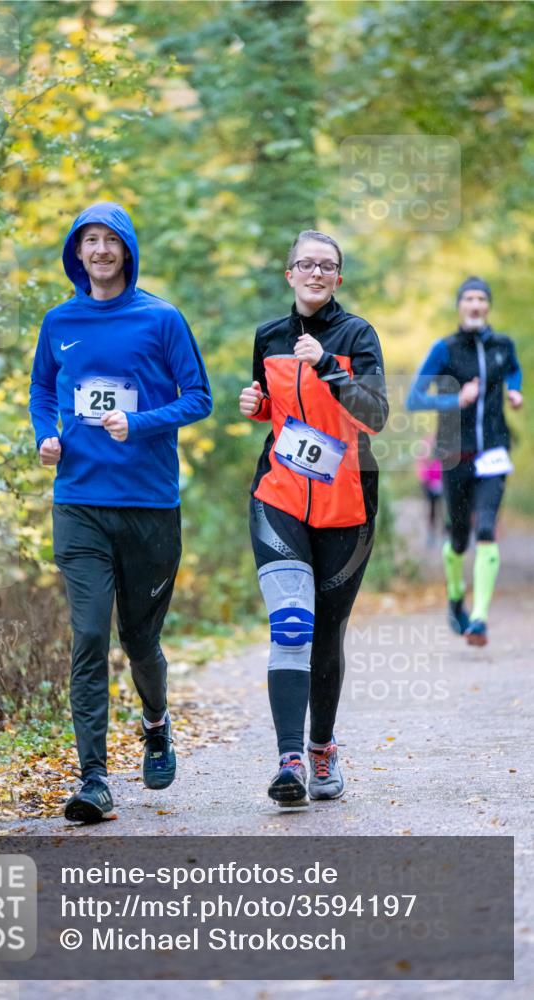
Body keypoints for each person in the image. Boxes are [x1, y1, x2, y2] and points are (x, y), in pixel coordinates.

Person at [29, 202, 212, 823]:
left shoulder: (161, 319)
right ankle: (94, 779)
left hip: (149, 505)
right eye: (90, 241)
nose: (101, 250)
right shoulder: (59, 321)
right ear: (76, 252)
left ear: (127, 251)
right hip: (79, 501)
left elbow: (200, 398)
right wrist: (44, 436)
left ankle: (156, 723)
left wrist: (138, 423)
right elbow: (41, 389)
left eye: (111, 240)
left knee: (140, 640)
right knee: (87, 635)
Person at [239, 230, 388, 806]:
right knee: (293, 624)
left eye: (327, 266)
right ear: (289, 273)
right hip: (278, 496)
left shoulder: (358, 335)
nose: (316, 273)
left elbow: (375, 416)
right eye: (306, 264)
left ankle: (322, 745)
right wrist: (257, 408)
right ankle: (290, 760)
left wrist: (328, 364)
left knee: (326, 633)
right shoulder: (269, 336)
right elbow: (277, 410)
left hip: (347, 506)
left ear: (338, 279)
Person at [406, 277, 523, 647]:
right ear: (460, 305)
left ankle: (479, 619)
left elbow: (514, 369)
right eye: (469, 298)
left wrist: (515, 390)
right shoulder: (444, 348)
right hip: (454, 452)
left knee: (486, 529)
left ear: (487, 306)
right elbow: (414, 399)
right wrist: (455, 399)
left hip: (493, 452)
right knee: (458, 539)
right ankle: (456, 595)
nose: (475, 304)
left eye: (481, 299)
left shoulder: (503, 346)